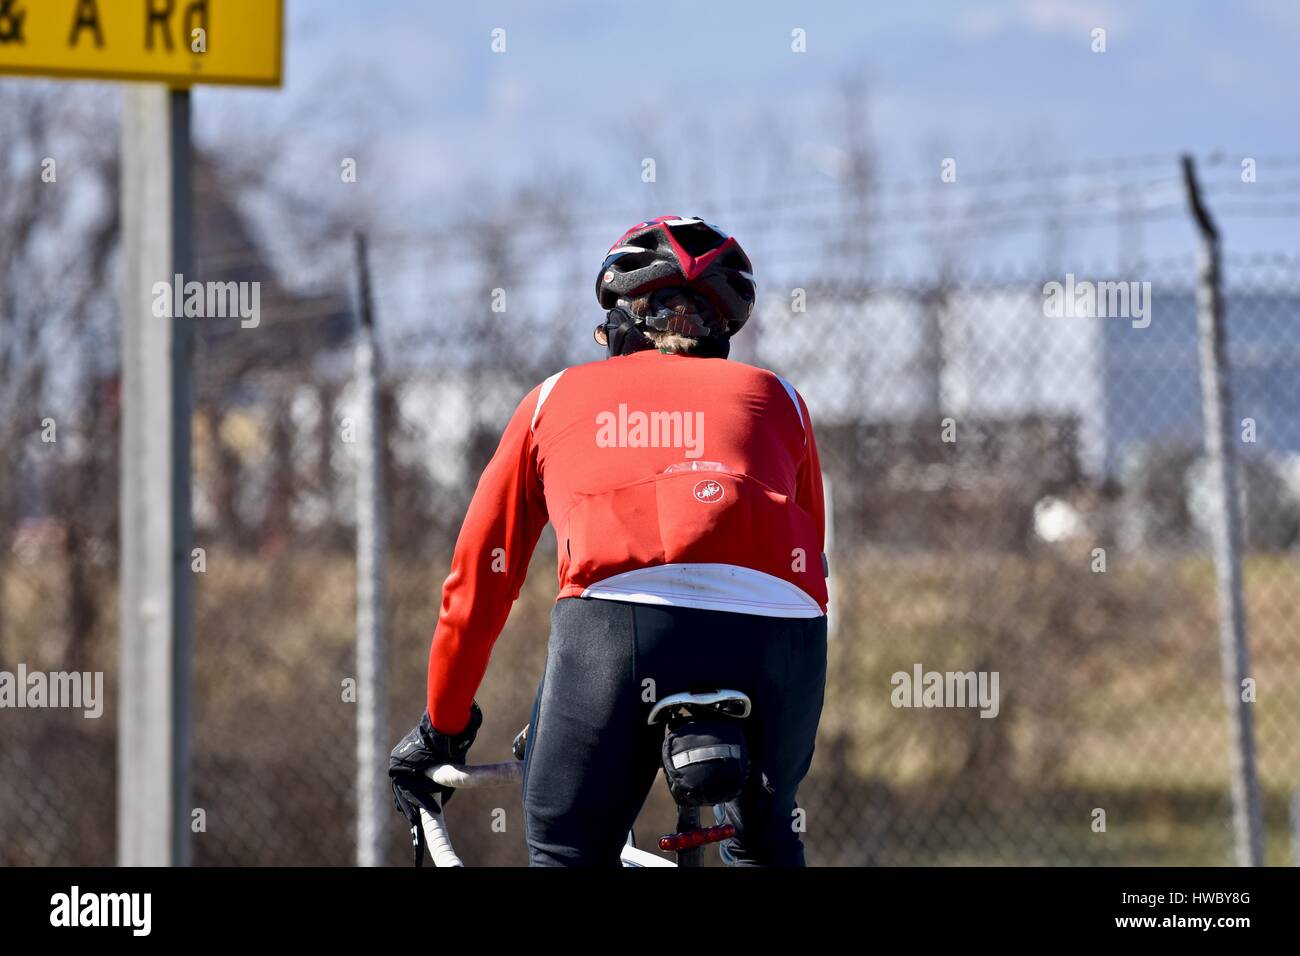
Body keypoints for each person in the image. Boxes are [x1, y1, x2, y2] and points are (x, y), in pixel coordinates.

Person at [390, 215, 828, 867]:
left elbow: (478, 583)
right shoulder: (778, 398)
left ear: (621, 321)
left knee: (568, 851)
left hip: (618, 623)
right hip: (782, 628)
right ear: (725, 331)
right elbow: (808, 554)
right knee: (763, 845)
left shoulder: (556, 398)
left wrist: (444, 726)